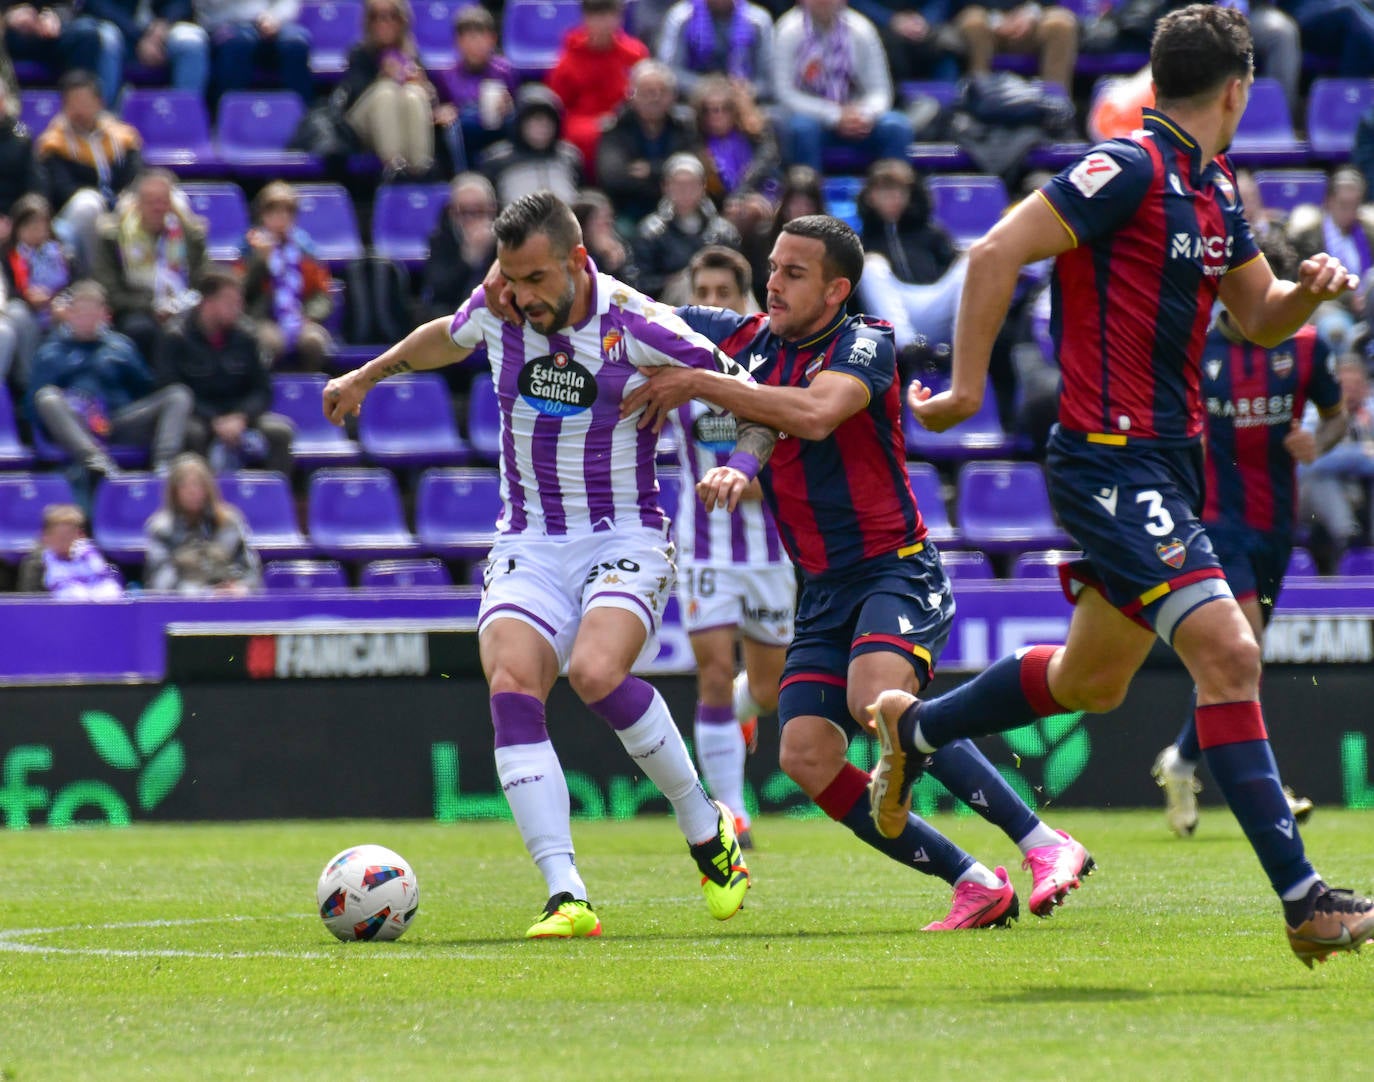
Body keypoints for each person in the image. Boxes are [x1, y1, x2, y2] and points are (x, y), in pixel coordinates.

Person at [869, 4, 1374, 966]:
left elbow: (1259, 318)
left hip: (1168, 462)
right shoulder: (1126, 166)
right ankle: (1306, 901)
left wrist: (1305, 290)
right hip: (1110, 456)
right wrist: (968, 390)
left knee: (1088, 682)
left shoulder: (1215, 189)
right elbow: (994, 251)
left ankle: (919, 731)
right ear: (1240, 90)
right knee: (1229, 652)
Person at [619, 214, 1095, 929]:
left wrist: (699, 384)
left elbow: (814, 414)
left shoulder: (865, 342)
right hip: (822, 589)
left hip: (892, 571)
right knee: (806, 755)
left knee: (882, 704)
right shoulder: (746, 341)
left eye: (793, 274)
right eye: (772, 268)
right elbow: (629, 308)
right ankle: (972, 881)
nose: (772, 284)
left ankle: (1044, 841)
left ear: (837, 288)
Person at [322, 190, 760, 938]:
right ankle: (566, 894)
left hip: (623, 536)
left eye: (535, 280)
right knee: (512, 683)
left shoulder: (639, 323)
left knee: (594, 672)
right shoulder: (499, 302)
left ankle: (704, 824)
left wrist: (741, 462)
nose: (520, 297)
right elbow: (447, 337)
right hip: (528, 540)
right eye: (509, 279)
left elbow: (754, 399)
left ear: (576, 262)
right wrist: (368, 374)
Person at [1151, 235, 1344, 837]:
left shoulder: (1307, 347)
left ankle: (1181, 760)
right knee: (1247, 649)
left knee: (1233, 660)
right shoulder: (1196, 349)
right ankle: (1268, 789)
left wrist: (1321, 439)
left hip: (1276, 525)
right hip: (1214, 523)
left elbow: (1336, 415)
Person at [670, 246, 790, 846]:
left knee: (766, 692)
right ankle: (731, 812)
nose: (712, 303)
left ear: (743, 301)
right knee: (714, 675)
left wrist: (754, 483)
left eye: (723, 293)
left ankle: (738, 723)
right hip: (702, 550)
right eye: (703, 293)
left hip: (773, 556)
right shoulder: (674, 370)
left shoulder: (770, 371)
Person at [27, 280, 192, 480]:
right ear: (69, 314)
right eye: (81, 312)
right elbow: (33, 409)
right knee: (47, 398)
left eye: (93, 312)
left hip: (118, 421)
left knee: (178, 395)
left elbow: (145, 389)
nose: (87, 319)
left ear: (105, 314)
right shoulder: (50, 352)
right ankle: (96, 462)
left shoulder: (121, 347)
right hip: (76, 424)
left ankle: (164, 467)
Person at [156, 268, 295, 477]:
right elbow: (171, 389)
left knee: (280, 432)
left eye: (239, 302)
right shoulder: (176, 337)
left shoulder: (247, 336)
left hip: (238, 414)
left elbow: (262, 390)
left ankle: (273, 497)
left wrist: (241, 417)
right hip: (199, 414)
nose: (238, 308)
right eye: (230, 302)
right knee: (191, 434)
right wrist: (214, 421)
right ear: (208, 303)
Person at [772, 0, 913, 172]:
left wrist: (864, 114)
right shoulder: (788, 31)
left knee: (896, 126)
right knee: (801, 128)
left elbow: (880, 91)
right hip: (814, 120)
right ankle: (809, 195)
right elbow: (784, 93)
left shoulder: (862, 29)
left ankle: (891, 195)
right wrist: (834, 115)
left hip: (858, 119)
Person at [92, 168, 209, 367]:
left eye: (163, 201)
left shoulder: (190, 236)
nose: (158, 207)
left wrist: (186, 303)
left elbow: (204, 279)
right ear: (137, 204)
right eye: (150, 201)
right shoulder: (114, 237)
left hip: (184, 307)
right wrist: (151, 306)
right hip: (136, 310)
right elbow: (110, 291)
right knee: (141, 329)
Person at [33, 70, 142, 276]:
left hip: (118, 206)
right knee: (88, 204)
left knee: (165, 195)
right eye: (72, 103)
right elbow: (62, 191)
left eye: (84, 101)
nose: (79, 109)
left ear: (99, 102)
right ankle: (97, 279)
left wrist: (125, 200)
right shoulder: (52, 144)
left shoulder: (123, 138)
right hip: (70, 218)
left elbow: (136, 176)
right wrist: (106, 204)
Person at [855, 157, 967, 354]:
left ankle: (964, 346)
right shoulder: (861, 240)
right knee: (871, 265)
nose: (894, 198)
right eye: (885, 191)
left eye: (900, 191)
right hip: (891, 314)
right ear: (870, 196)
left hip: (935, 301)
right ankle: (909, 349)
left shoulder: (932, 233)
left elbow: (952, 267)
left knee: (973, 261)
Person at [336, 0, 438, 180]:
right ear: (368, 22)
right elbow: (354, 95)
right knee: (387, 91)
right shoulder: (360, 53)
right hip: (364, 126)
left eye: (392, 16)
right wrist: (382, 75)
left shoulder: (412, 55)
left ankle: (420, 169)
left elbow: (432, 102)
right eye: (377, 17)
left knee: (413, 95)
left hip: (403, 122)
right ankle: (394, 168)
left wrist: (422, 85)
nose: (385, 23)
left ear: (402, 21)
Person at [547, 0, 650, 178]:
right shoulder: (569, 60)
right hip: (584, 123)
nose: (605, 23)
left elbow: (646, 92)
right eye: (598, 16)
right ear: (586, 19)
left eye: (610, 15)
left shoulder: (635, 53)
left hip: (627, 118)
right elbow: (558, 105)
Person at [239, 181, 334, 371]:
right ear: (262, 215)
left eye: (287, 212)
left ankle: (310, 392)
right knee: (268, 342)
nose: (281, 218)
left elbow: (322, 294)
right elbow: (242, 293)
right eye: (274, 212)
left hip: (300, 317)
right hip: (262, 319)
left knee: (314, 340)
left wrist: (311, 315)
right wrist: (261, 262)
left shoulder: (306, 250)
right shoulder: (248, 248)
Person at [596, 60, 699, 229]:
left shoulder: (685, 125)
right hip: (629, 210)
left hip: (680, 208)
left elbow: (692, 166)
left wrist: (651, 169)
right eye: (647, 92)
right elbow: (614, 178)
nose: (655, 98)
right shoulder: (614, 127)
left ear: (673, 96)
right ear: (632, 95)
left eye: (662, 92)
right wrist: (668, 180)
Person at [144, 452, 262, 594]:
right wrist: (204, 593)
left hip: (230, 602)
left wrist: (241, 588)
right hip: (182, 607)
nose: (192, 492)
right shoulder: (161, 529)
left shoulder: (230, 523)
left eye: (198, 485)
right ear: (174, 492)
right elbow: (160, 581)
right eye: (185, 486)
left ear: (208, 489)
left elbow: (251, 573)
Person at [1298, 354, 1374, 567]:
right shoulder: (1313, 414)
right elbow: (1308, 462)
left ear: (1366, 388)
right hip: (1315, 500)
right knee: (1322, 479)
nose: (1351, 391)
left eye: (1357, 384)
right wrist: (1361, 455)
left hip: (1361, 492)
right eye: (1345, 385)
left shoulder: (1370, 414)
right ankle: (1346, 539)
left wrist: (1340, 458)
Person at [634, 153, 741, 303]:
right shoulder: (651, 232)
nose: (685, 190)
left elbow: (738, 274)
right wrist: (674, 280)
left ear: (703, 186)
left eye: (692, 184)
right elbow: (640, 282)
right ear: (666, 186)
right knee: (690, 284)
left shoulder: (723, 231)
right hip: (670, 306)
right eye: (678, 184)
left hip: (720, 299)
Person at [1287, 167, 1374, 351]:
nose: (1350, 212)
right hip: (1328, 303)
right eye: (1344, 205)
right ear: (1329, 202)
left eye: (1355, 205)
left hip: (1368, 304)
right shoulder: (1308, 236)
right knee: (1336, 329)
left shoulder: (1369, 233)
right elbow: (1305, 281)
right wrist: (1350, 298)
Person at [72, 0, 211, 101]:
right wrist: (141, 37)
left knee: (191, 42)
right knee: (106, 41)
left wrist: (163, 25)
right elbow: (97, 5)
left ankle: (184, 119)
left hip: (162, 31)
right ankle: (105, 120)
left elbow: (181, 4)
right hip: (119, 27)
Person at [432, 6, 519, 163]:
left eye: (481, 37)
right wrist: (444, 112)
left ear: (492, 39)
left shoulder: (504, 71)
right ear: (458, 42)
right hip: (466, 134)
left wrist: (508, 106)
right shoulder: (446, 75)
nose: (476, 44)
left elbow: (516, 105)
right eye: (470, 38)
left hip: (498, 129)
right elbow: (442, 109)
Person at [2, 192, 71, 388]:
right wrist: (28, 297)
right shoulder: (8, 256)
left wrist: (58, 300)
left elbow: (74, 284)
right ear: (18, 228)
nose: (37, 231)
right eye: (30, 226)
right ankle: (28, 380)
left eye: (41, 225)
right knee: (16, 312)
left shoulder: (63, 254)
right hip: (28, 312)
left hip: (56, 308)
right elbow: (7, 290)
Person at [479, 84, 583, 206]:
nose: (543, 127)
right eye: (536, 120)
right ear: (520, 123)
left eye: (548, 121)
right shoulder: (496, 161)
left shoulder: (570, 157)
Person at [657, 0, 776, 104]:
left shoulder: (758, 20)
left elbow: (768, 80)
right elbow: (669, 72)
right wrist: (710, 89)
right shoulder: (680, 17)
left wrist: (747, 91)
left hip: (745, 101)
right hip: (690, 99)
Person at [196, 0, 313, 104]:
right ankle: (229, 117)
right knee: (238, 45)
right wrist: (255, 16)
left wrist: (274, 17)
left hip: (272, 19)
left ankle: (303, 116)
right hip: (226, 20)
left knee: (295, 44)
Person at [691, 74, 781, 205]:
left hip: (758, 196)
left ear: (735, 109)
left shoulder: (754, 136)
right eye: (708, 110)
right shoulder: (696, 141)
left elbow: (763, 168)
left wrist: (739, 196)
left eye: (725, 108)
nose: (717, 115)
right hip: (718, 206)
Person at [951, 0, 1078, 90]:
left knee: (1061, 23)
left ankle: (1055, 106)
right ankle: (978, 96)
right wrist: (996, 18)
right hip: (987, 21)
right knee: (973, 21)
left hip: (1030, 22)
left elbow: (1048, 3)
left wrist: (1030, 13)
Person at [422, 173, 498, 323]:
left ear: (492, 209)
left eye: (479, 210)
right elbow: (439, 289)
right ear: (452, 213)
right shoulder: (440, 239)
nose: (471, 219)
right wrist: (469, 258)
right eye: (463, 212)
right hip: (455, 311)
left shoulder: (506, 239)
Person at [15, 502, 123, 598]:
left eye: (70, 535)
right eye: (60, 536)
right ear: (46, 537)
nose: (65, 540)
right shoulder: (35, 565)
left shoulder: (93, 559)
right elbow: (31, 606)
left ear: (79, 535)